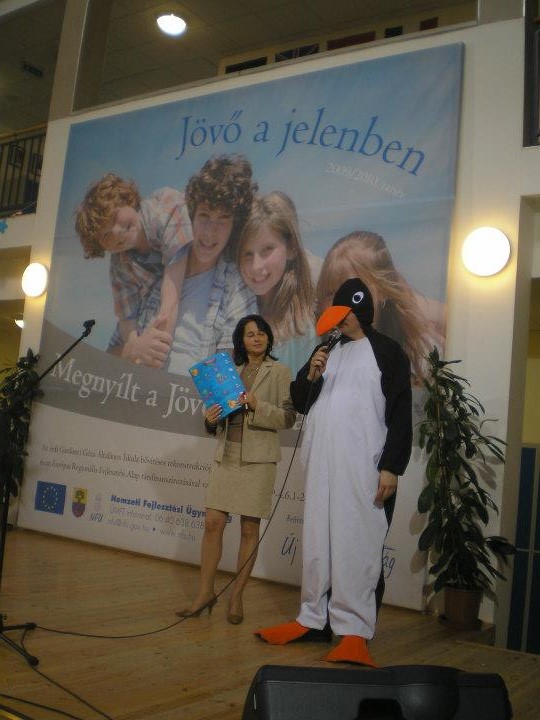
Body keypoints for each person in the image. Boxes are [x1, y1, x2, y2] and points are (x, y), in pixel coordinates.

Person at [255, 278, 412, 666]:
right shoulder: (326, 349)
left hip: (363, 468)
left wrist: (391, 467)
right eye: (335, 317)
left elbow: (400, 413)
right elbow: (300, 401)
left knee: (356, 544)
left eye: (344, 316)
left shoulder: (387, 352)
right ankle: (313, 619)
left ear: (360, 312)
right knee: (317, 542)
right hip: (322, 466)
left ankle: (354, 630)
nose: (338, 323)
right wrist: (311, 375)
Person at [177, 314, 295, 624]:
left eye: (261, 333)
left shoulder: (280, 371)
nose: (256, 338)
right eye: (250, 334)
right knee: (212, 523)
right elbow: (217, 419)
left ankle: (237, 597)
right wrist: (210, 419)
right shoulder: (229, 371)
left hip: (258, 461)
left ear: (269, 337)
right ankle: (205, 593)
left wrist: (258, 405)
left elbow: (288, 418)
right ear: (241, 341)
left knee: (248, 529)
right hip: (226, 456)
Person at [111, 155, 258, 373]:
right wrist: (131, 351)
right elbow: (110, 353)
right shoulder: (151, 271)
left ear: (234, 225)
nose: (210, 231)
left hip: (189, 395)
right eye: (204, 215)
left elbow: (232, 375)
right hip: (137, 391)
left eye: (223, 219)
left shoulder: (238, 289)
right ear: (190, 215)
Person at [315, 231, 445, 383]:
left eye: (354, 294)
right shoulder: (323, 356)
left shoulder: (420, 355)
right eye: (331, 294)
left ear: (383, 291)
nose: (340, 304)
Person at [76, 174, 192, 344]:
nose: (116, 233)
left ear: (127, 200)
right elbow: (127, 317)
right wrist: (134, 346)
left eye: (115, 217)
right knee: (118, 344)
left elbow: (171, 298)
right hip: (155, 305)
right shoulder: (120, 264)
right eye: (106, 235)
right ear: (101, 248)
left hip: (183, 291)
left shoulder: (164, 213)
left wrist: (156, 345)